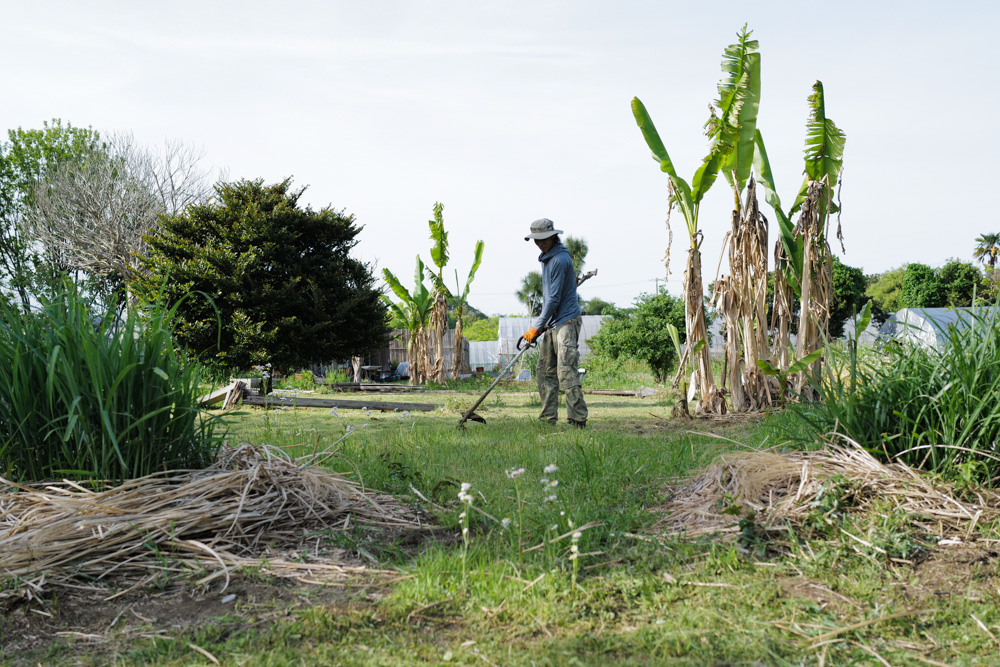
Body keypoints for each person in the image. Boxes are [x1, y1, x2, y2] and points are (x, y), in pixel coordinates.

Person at [522, 218, 588, 427]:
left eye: (543, 239)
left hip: (566, 321)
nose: (539, 243)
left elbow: (553, 299)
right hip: (553, 323)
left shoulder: (559, 260)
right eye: (536, 240)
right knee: (545, 372)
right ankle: (547, 419)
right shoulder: (548, 258)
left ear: (553, 237)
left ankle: (577, 419)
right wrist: (543, 325)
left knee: (565, 370)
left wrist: (536, 327)